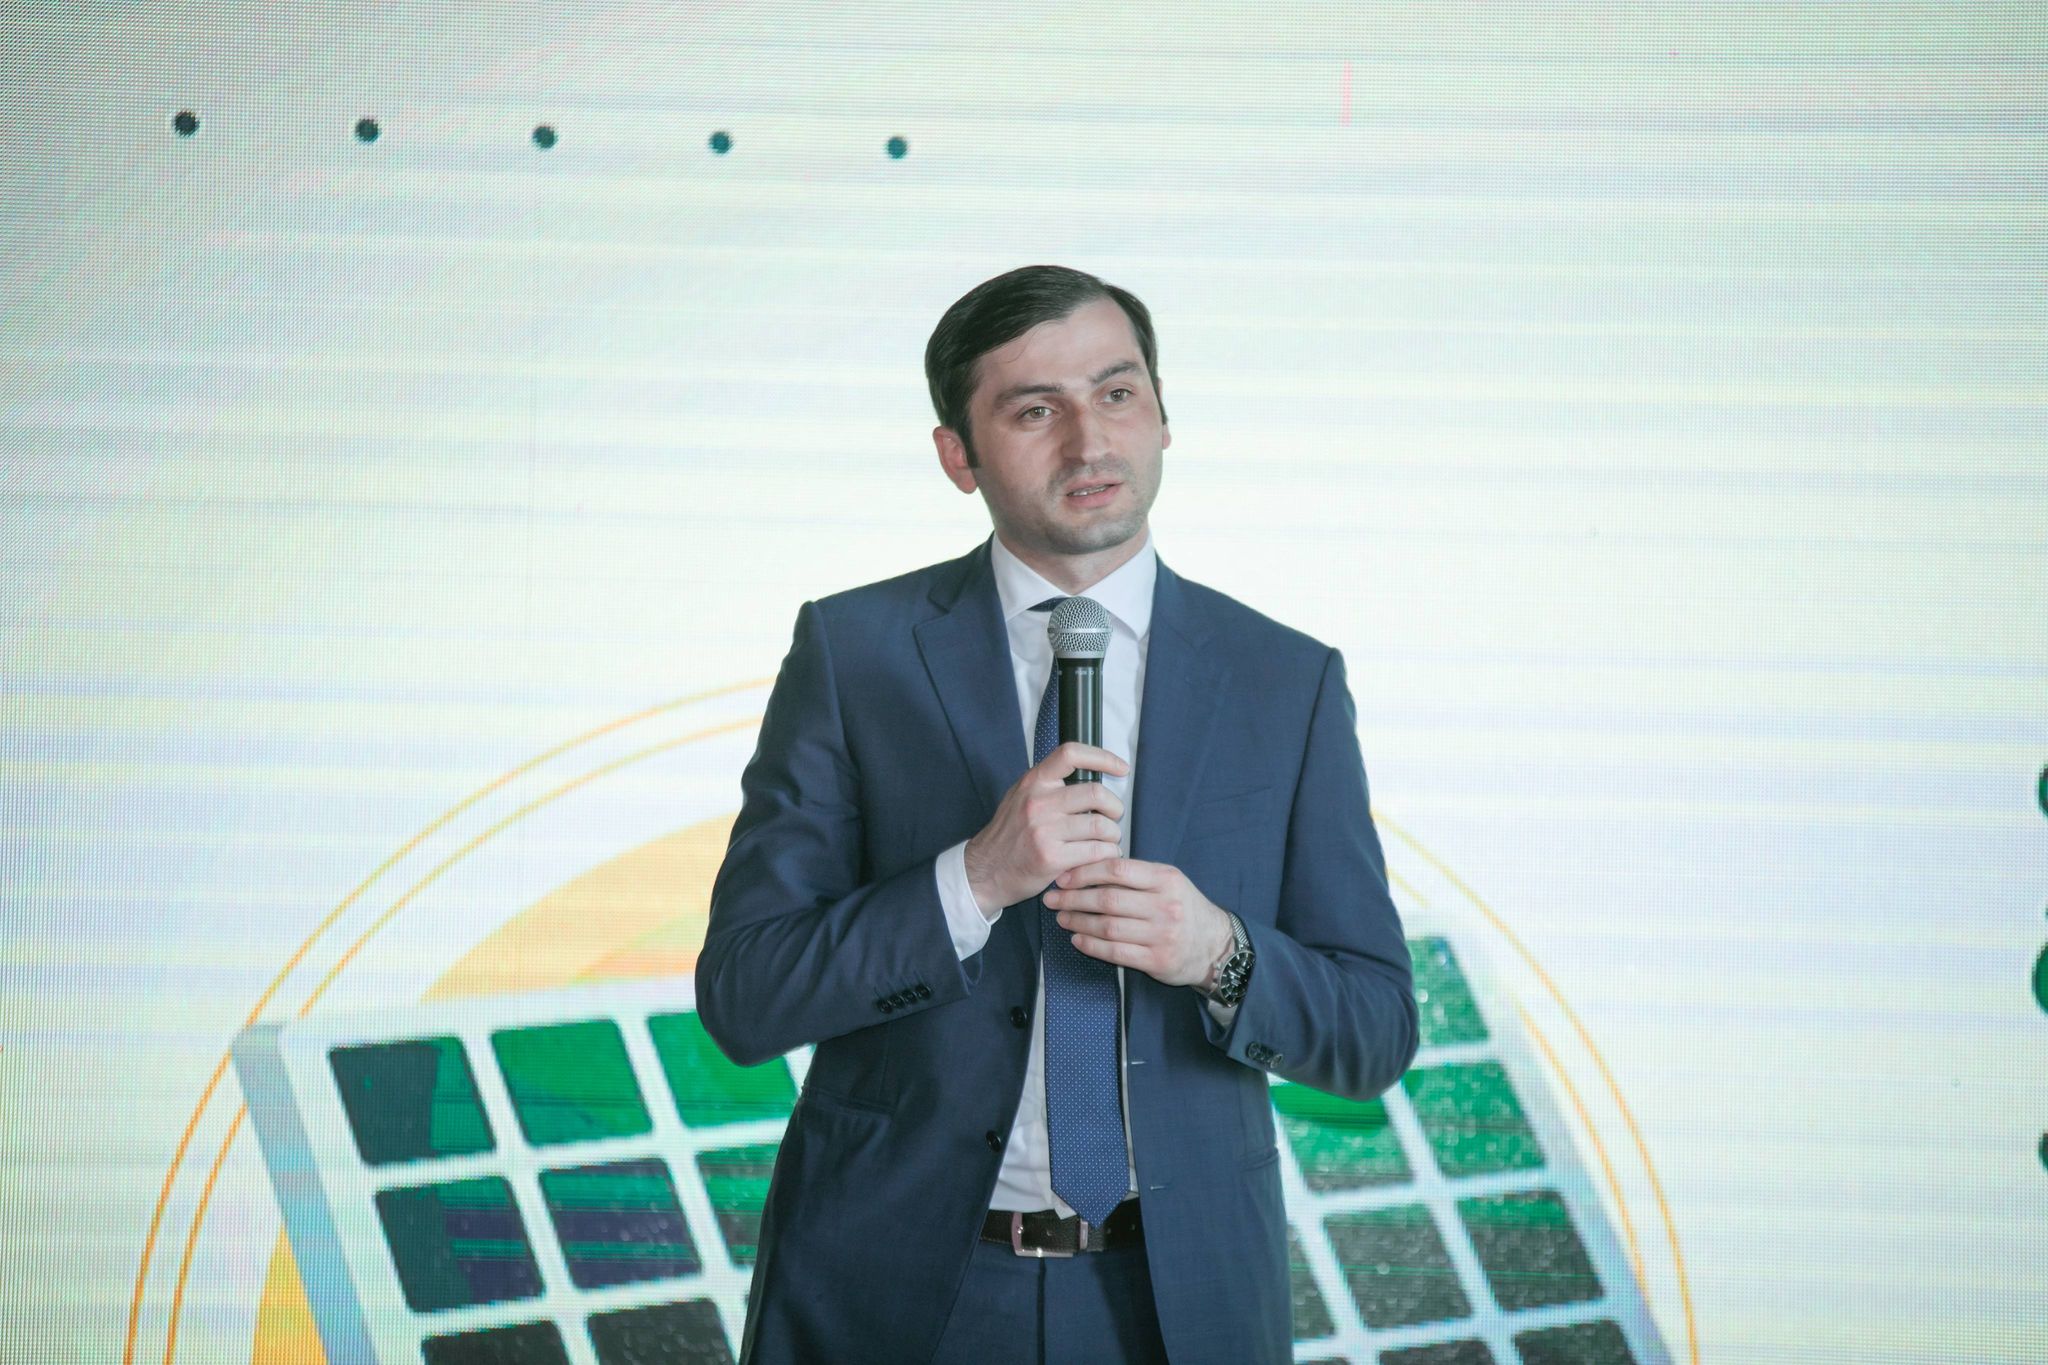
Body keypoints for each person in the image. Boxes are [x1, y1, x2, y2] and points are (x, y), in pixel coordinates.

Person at [697, 265, 1418, 1364]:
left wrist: (1218, 953)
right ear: (959, 456)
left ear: (1163, 417)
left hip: (1178, 1305)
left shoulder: (1284, 679)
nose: (1089, 442)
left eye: (1116, 394)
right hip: (895, 1293)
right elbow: (747, 996)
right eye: (1034, 410)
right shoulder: (854, 654)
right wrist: (974, 879)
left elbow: (1374, 1031)